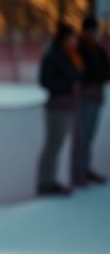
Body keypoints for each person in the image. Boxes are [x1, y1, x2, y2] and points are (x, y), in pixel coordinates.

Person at [36, 22, 81, 197]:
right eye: (71, 37)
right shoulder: (54, 55)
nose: (74, 41)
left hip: (67, 106)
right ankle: (45, 182)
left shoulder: (69, 55)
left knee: (57, 144)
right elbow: (45, 80)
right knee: (53, 144)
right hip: (57, 106)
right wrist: (67, 86)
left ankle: (50, 179)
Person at [74, 16, 109, 186]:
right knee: (82, 136)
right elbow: (81, 73)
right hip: (84, 97)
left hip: (96, 96)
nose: (92, 34)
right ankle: (78, 172)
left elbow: (106, 71)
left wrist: (98, 77)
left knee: (89, 136)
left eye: (94, 31)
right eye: (90, 31)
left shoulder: (99, 50)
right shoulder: (79, 50)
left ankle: (85, 169)